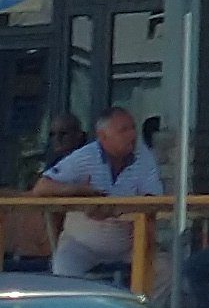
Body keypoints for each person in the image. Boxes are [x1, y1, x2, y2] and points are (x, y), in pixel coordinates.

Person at [37, 106, 162, 285]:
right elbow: (41, 187)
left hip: (128, 243)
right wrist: (80, 192)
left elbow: (154, 200)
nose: (132, 135)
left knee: (167, 271)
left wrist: (117, 210)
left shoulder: (143, 157)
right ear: (103, 137)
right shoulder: (85, 156)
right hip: (83, 244)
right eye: (123, 130)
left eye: (133, 128)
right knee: (63, 272)